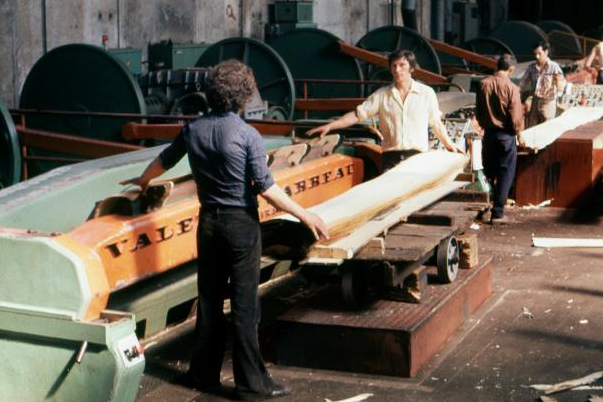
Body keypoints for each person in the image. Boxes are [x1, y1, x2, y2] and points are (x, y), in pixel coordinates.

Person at [122, 60, 328, 400]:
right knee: (246, 307)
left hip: (209, 225)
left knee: (210, 302)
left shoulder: (193, 129)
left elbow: (165, 159)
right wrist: (305, 215)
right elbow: (265, 187)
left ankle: (203, 376)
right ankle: (251, 384)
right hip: (241, 225)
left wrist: (142, 181)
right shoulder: (247, 134)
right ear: (244, 96)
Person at [306, 49, 460, 170]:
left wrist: (450, 146)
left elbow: (436, 124)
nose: (397, 70)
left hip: (417, 158)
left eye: (402, 65)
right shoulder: (382, 95)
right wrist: (330, 126)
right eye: (394, 66)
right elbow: (356, 115)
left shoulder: (426, 93)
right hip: (390, 158)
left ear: (411, 68)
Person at [475, 54, 525, 224]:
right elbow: (516, 115)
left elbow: (479, 111)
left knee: (489, 170)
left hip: (488, 134)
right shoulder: (512, 88)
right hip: (506, 136)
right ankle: (498, 212)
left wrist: (483, 125)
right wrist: (519, 133)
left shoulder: (483, 84)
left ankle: (485, 205)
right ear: (511, 69)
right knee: (505, 172)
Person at [519, 41, 566, 128]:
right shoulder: (532, 67)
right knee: (532, 128)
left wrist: (558, 83)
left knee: (546, 129)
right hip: (535, 101)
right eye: (535, 54)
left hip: (548, 103)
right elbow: (522, 83)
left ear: (546, 52)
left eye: (539, 54)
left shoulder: (554, 67)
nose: (537, 56)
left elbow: (561, 85)